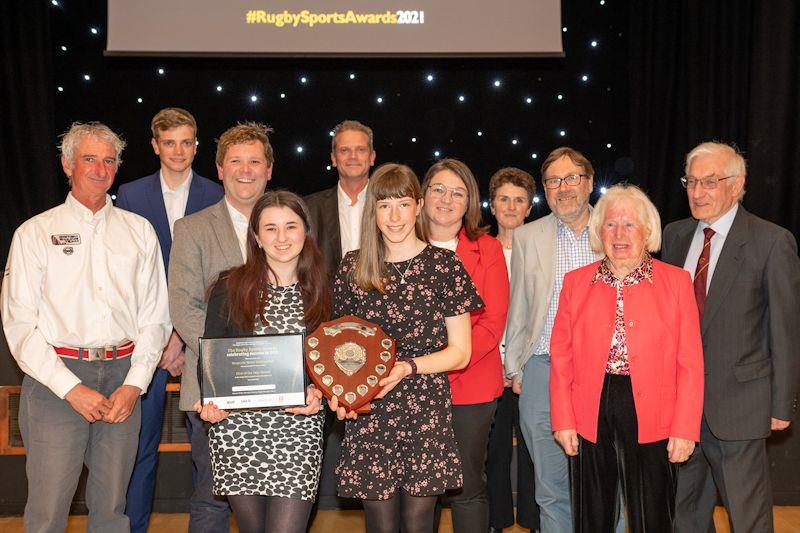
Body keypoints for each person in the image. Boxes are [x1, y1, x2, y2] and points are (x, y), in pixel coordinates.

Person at [1, 122, 171, 532]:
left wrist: (135, 384)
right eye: (89, 159)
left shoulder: (139, 232)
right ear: (66, 164)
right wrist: (70, 388)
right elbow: (19, 324)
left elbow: (156, 316)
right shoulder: (35, 233)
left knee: (112, 509)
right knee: (47, 511)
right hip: (55, 381)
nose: (100, 169)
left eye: (109, 160)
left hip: (123, 379)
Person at [330, 163, 482, 533]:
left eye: (402, 204)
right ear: (373, 212)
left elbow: (460, 352)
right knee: (379, 524)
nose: (394, 216)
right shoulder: (354, 266)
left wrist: (406, 367)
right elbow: (337, 347)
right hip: (370, 407)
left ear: (418, 205)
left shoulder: (445, 266)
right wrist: (339, 391)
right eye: (384, 206)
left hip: (424, 405)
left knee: (418, 523)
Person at [550, 183, 704, 531]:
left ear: (648, 231)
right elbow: (562, 358)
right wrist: (563, 419)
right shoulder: (575, 283)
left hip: (655, 409)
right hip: (591, 406)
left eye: (629, 224)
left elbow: (690, 362)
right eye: (610, 224)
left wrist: (685, 428)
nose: (619, 233)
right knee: (592, 513)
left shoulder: (676, 282)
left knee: (653, 513)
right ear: (598, 231)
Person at [663, 142, 800, 532]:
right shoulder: (674, 237)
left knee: (748, 517)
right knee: (685, 513)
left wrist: (782, 403)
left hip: (741, 406)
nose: (697, 192)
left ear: (737, 184)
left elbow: (786, 331)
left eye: (710, 182)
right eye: (691, 181)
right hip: (682, 409)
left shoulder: (771, 242)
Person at [196, 191, 330, 533]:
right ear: (256, 236)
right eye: (270, 228)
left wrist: (320, 392)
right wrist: (212, 399)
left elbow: (333, 364)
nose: (281, 238)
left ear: (306, 232)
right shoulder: (230, 286)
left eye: (290, 227)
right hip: (237, 430)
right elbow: (212, 355)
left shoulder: (324, 290)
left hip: (299, 429)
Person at [116, 107, 223, 533]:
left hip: (198, 337)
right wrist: (159, 338)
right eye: (170, 142)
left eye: (187, 142)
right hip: (145, 339)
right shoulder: (130, 194)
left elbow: (217, 276)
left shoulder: (217, 193)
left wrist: (180, 338)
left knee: (210, 449)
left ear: (196, 146)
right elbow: (128, 273)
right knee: (139, 448)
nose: (179, 151)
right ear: (155, 145)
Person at [169, 122, 274, 532]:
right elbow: (183, 306)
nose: (245, 170)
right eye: (235, 161)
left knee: (280, 495)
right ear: (219, 168)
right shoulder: (191, 228)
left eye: (254, 161)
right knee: (212, 498)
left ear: (269, 169)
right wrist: (235, 359)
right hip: (214, 388)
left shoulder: (292, 224)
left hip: (280, 387)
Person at [504, 147, 602, 532]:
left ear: (590, 182)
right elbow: (520, 307)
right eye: (553, 181)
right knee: (550, 486)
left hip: (606, 372)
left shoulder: (615, 228)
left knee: (606, 481)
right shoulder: (528, 236)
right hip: (543, 369)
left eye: (571, 178)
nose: (563, 188)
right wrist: (515, 367)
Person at [418, 158, 508, 533]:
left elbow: (492, 322)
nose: (446, 199)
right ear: (422, 196)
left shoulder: (487, 249)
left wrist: (453, 361)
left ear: (469, 201)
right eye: (438, 189)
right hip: (413, 386)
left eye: (458, 192)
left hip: (470, 386)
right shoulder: (401, 245)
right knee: (420, 490)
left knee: (467, 487)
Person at [485, 167, 539, 533]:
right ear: (492, 205)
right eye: (503, 198)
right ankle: (497, 520)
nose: (510, 206)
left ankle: (536, 521)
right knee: (495, 452)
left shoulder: (539, 250)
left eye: (518, 200)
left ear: (529, 207)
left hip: (532, 364)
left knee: (536, 451)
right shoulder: (480, 249)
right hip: (489, 364)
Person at [305, 119, 376, 276]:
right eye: (344, 150)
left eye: (360, 150)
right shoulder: (309, 208)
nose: (352, 156)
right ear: (334, 159)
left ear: (372, 157)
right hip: (328, 299)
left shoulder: (388, 204)